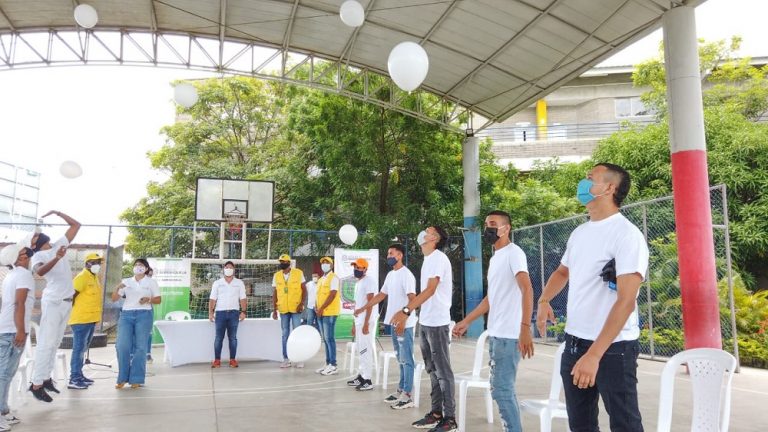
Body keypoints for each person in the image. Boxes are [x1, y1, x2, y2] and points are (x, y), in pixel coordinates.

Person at [536, 163, 649, 432]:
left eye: (590, 178)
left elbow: (626, 301)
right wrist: (543, 301)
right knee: (581, 424)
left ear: (610, 188)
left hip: (613, 348)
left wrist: (594, 355)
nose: (583, 183)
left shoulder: (627, 236)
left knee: (625, 424)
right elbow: (563, 272)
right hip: (575, 342)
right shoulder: (580, 233)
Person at [453, 210, 535, 432]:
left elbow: (527, 288)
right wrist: (467, 320)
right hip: (497, 333)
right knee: (502, 389)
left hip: (509, 334)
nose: (488, 228)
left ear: (506, 228)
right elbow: (492, 298)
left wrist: (525, 328)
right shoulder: (496, 257)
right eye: (487, 224)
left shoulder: (513, 253)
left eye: (493, 224)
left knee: (502, 390)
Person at [391, 226, 457, 432]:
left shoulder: (438, 258)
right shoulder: (429, 260)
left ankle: (450, 419)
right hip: (427, 321)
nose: (422, 232)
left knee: (443, 371)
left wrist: (406, 310)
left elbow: (430, 289)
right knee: (432, 369)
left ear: (434, 238)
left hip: (438, 323)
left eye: (427, 230)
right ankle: (436, 413)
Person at [354, 244, 417, 409]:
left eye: (391, 253)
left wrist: (404, 319)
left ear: (400, 255)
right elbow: (381, 295)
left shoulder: (407, 275)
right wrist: (363, 307)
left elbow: (413, 299)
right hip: (394, 323)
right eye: (387, 252)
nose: (388, 255)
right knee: (400, 358)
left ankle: (408, 395)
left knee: (407, 359)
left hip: (405, 324)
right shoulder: (391, 275)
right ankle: (401, 389)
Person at [28, 210, 81, 402]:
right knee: (46, 343)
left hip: (65, 301)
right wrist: (57, 258)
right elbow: (40, 271)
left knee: (55, 343)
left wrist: (59, 214)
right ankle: (36, 384)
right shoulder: (37, 255)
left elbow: (76, 225)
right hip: (53, 302)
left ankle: (46, 378)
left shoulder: (59, 244)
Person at [0, 243, 36, 429]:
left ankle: (4, 410)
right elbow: (19, 304)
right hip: (12, 330)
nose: (26, 255)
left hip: (7, 328)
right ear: (20, 258)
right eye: (22, 253)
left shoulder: (12, 274)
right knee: (3, 375)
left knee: (6, 373)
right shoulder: (23, 275)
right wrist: (21, 330)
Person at [111, 258, 161, 389]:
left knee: (141, 347)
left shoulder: (151, 282)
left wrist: (149, 299)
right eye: (136, 265)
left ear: (146, 269)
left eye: (141, 265)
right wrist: (117, 288)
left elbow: (158, 299)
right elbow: (114, 299)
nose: (138, 267)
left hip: (144, 315)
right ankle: (122, 377)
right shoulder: (126, 281)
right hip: (126, 315)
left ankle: (136, 378)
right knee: (122, 345)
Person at [67, 253, 103, 390]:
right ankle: (74, 379)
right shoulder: (82, 277)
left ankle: (79, 375)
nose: (97, 265)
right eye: (94, 262)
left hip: (90, 319)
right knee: (78, 349)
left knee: (83, 349)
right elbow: (71, 296)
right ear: (87, 264)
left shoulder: (94, 277)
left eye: (99, 262)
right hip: (81, 320)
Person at [345, 258, 377, 391]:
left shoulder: (369, 281)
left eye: (359, 268)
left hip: (366, 321)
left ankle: (368, 379)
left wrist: (365, 323)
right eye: (355, 267)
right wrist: (354, 323)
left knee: (365, 349)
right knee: (360, 349)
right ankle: (362, 375)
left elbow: (371, 303)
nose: (357, 270)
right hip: (359, 321)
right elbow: (357, 305)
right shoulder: (358, 282)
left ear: (365, 269)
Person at [208, 261, 246, 368]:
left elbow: (243, 298)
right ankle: (217, 360)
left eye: (231, 267)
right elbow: (212, 299)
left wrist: (243, 311)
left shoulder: (239, 283)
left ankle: (233, 360)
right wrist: (210, 313)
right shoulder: (217, 283)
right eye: (227, 267)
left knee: (233, 338)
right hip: (220, 313)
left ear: (234, 270)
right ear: (224, 269)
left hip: (234, 313)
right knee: (218, 338)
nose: (228, 269)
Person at [271, 254, 306, 368]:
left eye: (284, 261)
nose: (282, 263)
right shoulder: (276, 276)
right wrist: (274, 309)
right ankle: (286, 358)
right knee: (285, 334)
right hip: (283, 309)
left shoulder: (298, 273)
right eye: (280, 261)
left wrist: (301, 303)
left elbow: (304, 289)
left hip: (296, 308)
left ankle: (300, 358)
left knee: (297, 333)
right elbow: (275, 293)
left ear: (289, 263)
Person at [315, 256, 340, 376]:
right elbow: (318, 295)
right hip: (320, 312)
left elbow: (332, 294)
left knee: (329, 338)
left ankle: (333, 365)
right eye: (322, 263)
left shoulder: (333, 278)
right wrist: (316, 306)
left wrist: (322, 308)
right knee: (325, 339)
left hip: (329, 312)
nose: (324, 264)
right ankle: (328, 363)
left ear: (331, 265)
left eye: (327, 263)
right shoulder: (320, 279)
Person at [145, 267, 154, 364]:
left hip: (148, 310)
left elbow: (156, 299)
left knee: (149, 333)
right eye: (148, 275)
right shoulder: (133, 283)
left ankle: (148, 354)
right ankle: (132, 355)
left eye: (151, 275)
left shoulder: (152, 284)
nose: (149, 277)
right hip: (135, 312)